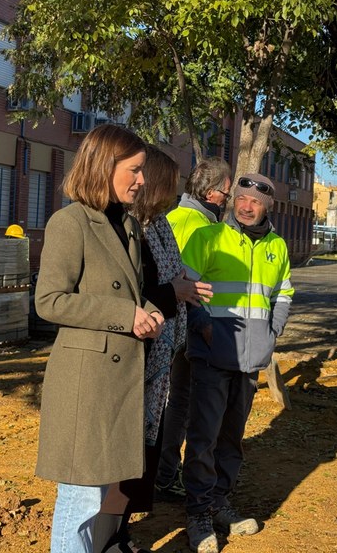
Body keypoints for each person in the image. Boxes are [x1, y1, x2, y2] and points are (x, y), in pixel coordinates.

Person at [33, 124, 165, 553]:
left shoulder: (127, 224)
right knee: (81, 499)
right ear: (104, 166)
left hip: (117, 384)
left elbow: (129, 292)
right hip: (85, 385)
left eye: (142, 170)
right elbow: (49, 301)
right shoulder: (70, 223)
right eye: (135, 169)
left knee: (99, 493)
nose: (142, 180)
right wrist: (124, 315)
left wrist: (148, 310)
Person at [93, 146, 213, 553]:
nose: (175, 192)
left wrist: (184, 289)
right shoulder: (129, 231)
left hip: (158, 361)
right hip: (134, 358)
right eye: (170, 183)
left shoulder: (158, 226)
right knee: (122, 456)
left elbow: (170, 274)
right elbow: (129, 296)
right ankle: (106, 539)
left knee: (141, 453)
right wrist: (173, 291)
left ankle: (121, 535)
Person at [179, 173, 294, 553]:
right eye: (241, 199)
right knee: (204, 438)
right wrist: (203, 325)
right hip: (212, 355)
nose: (246, 206)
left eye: (255, 202)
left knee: (232, 437)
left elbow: (283, 293)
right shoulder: (208, 237)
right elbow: (186, 287)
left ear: (268, 207)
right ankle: (198, 513)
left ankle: (218, 502)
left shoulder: (277, 246)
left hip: (250, 360)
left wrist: (273, 332)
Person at [154, 157, 233, 502]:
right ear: (212, 193)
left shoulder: (173, 217)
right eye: (227, 193)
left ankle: (161, 472)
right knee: (183, 403)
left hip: (164, 322)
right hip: (190, 326)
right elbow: (187, 283)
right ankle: (167, 474)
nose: (228, 200)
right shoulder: (199, 226)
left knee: (166, 401)